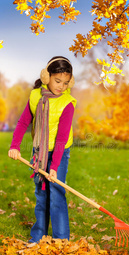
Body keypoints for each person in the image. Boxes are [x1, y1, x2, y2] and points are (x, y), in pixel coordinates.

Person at [8, 56, 77, 243]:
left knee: (56, 192)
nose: (61, 86)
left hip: (59, 154)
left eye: (65, 82)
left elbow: (62, 138)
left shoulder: (67, 103)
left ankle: (61, 240)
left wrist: (54, 166)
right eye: (57, 81)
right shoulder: (35, 96)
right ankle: (38, 236)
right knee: (41, 193)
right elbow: (23, 122)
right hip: (39, 152)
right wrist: (15, 146)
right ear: (47, 77)